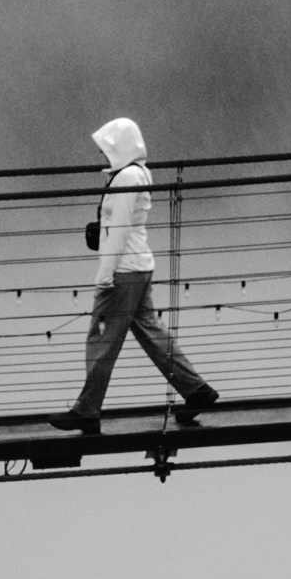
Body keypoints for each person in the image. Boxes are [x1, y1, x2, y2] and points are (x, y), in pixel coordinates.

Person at [56, 112, 219, 436]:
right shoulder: (134, 174)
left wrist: (104, 274)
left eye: (105, 147)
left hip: (124, 271)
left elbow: (118, 229)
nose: (101, 153)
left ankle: (86, 411)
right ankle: (196, 389)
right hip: (137, 267)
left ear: (120, 147)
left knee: (101, 340)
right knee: (152, 334)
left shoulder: (128, 179)